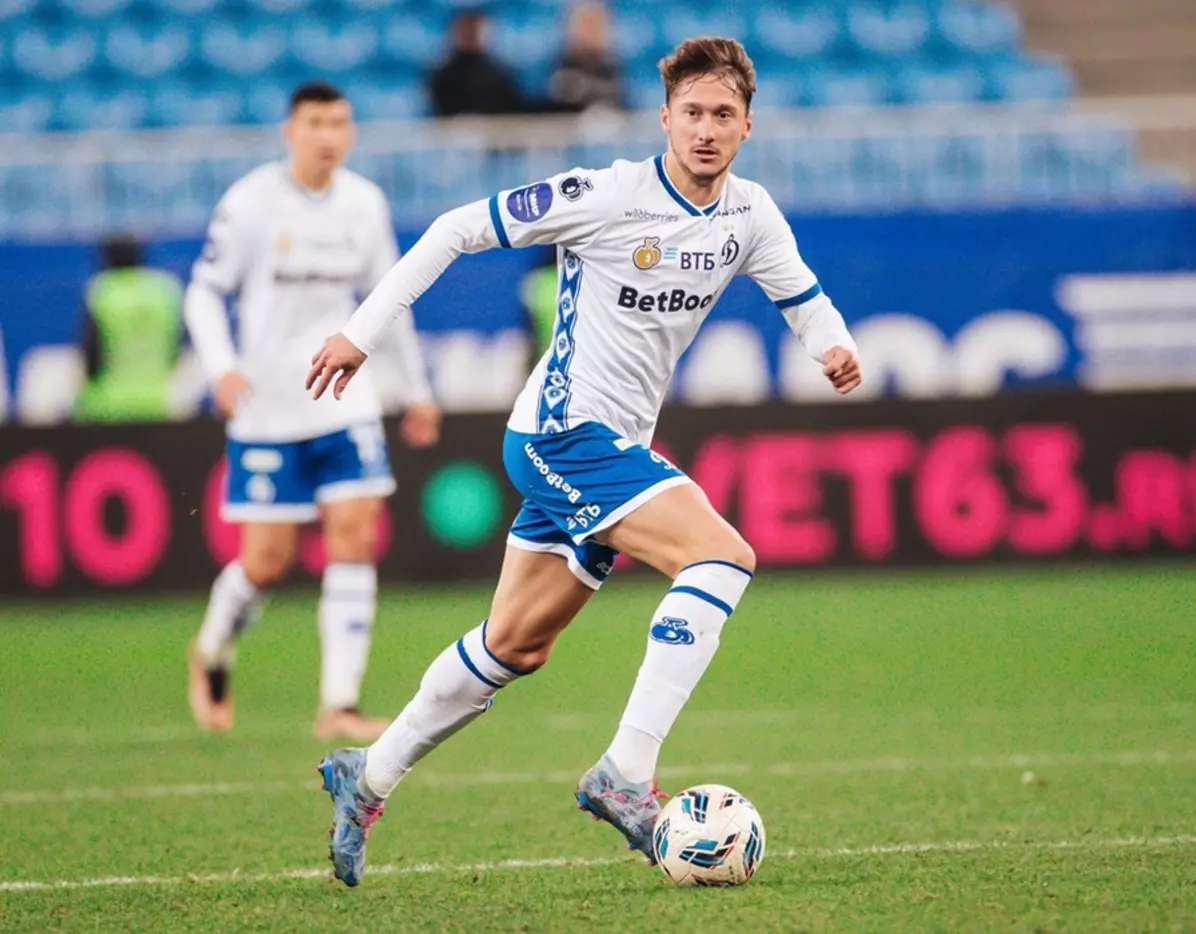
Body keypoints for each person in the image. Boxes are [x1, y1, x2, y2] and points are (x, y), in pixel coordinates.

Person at [307, 37, 862, 887]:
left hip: (610, 446)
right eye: (692, 113)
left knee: (514, 646)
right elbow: (456, 229)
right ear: (664, 117)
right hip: (561, 434)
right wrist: (361, 334)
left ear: (747, 126)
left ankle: (367, 775)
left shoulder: (749, 215)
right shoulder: (603, 195)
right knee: (722, 556)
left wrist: (834, 347)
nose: (706, 129)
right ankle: (626, 773)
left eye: (723, 115)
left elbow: (804, 298)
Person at [183, 81, 442, 742]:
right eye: (315, 123)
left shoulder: (364, 203)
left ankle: (339, 703)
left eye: (339, 123)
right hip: (268, 406)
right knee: (266, 564)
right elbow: (204, 294)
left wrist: (415, 390)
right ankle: (211, 649)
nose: (328, 135)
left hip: (346, 400)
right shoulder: (249, 203)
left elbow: (389, 300)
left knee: (354, 534)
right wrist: (221, 367)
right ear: (290, 131)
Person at [74, 234, 184, 423]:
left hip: (106, 405)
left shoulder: (102, 290)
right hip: (158, 402)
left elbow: (91, 354)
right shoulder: (165, 290)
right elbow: (175, 347)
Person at [428, 10, 532, 118]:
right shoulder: (443, 76)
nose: (472, 34)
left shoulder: (499, 74)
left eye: (477, 29)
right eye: (467, 29)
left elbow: (511, 108)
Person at [544, 1, 626, 113]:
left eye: (596, 25)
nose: (590, 32)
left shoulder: (613, 68)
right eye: (584, 25)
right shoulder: (557, 69)